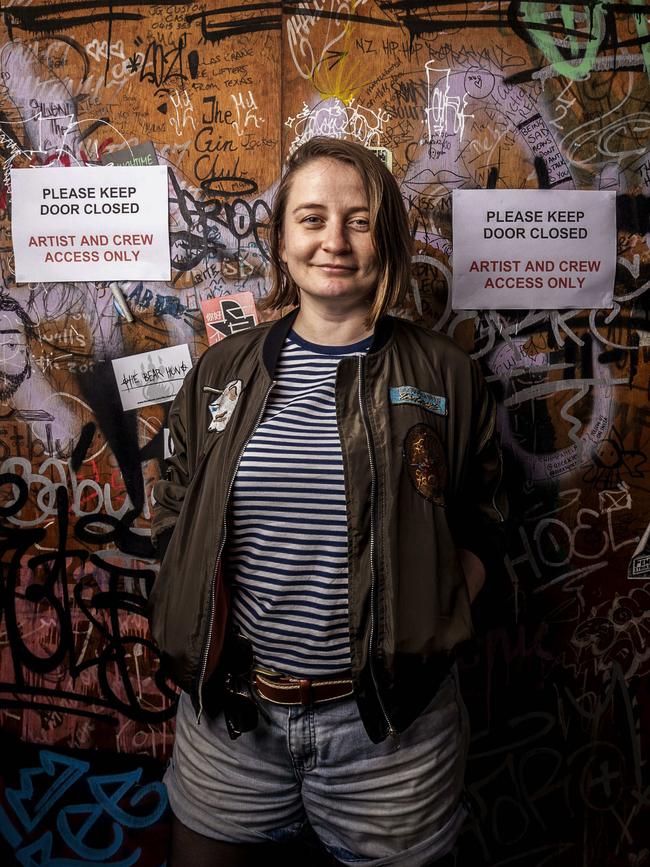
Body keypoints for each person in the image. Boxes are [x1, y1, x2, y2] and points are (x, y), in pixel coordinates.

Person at [149, 136, 507, 866]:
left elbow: (485, 516)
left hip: (391, 731)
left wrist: (442, 615)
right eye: (311, 219)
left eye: (360, 220)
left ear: (388, 239)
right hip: (232, 720)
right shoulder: (223, 371)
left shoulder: (446, 373)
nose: (333, 241)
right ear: (281, 240)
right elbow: (177, 508)